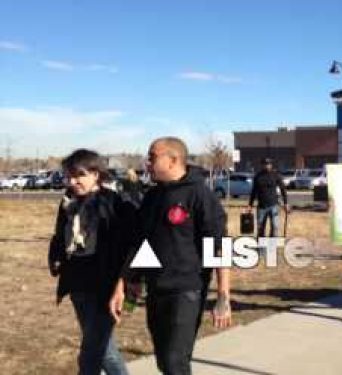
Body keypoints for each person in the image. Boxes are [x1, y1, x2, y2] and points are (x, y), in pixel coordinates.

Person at [109, 137, 232, 375]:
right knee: (165, 362)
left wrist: (223, 296)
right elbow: (140, 243)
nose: (147, 162)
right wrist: (124, 283)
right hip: (155, 290)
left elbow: (219, 247)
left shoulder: (199, 195)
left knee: (175, 362)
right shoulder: (153, 197)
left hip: (186, 290)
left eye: (152, 157)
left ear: (173, 160)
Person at [48, 149, 134, 375]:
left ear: (96, 174)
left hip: (105, 285)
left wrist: (123, 284)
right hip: (77, 282)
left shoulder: (114, 202)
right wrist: (55, 256)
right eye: (69, 176)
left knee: (92, 353)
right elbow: (59, 234)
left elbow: (128, 246)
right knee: (103, 348)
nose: (72, 181)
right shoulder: (68, 201)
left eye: (79, 175)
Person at [249, 158, 289, 237]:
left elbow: (283, 190)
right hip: (261, 207)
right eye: (265, 164)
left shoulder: (276, 175)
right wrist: (250, 204)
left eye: (268, 164)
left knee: (275, 227)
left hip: (274, 205)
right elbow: (253, 191)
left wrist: (286, 203)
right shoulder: (258, 177)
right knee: (260, 228)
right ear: (262, 165)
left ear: (271, 165)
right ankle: (262, 248)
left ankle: (272, 246)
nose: (266, 166)